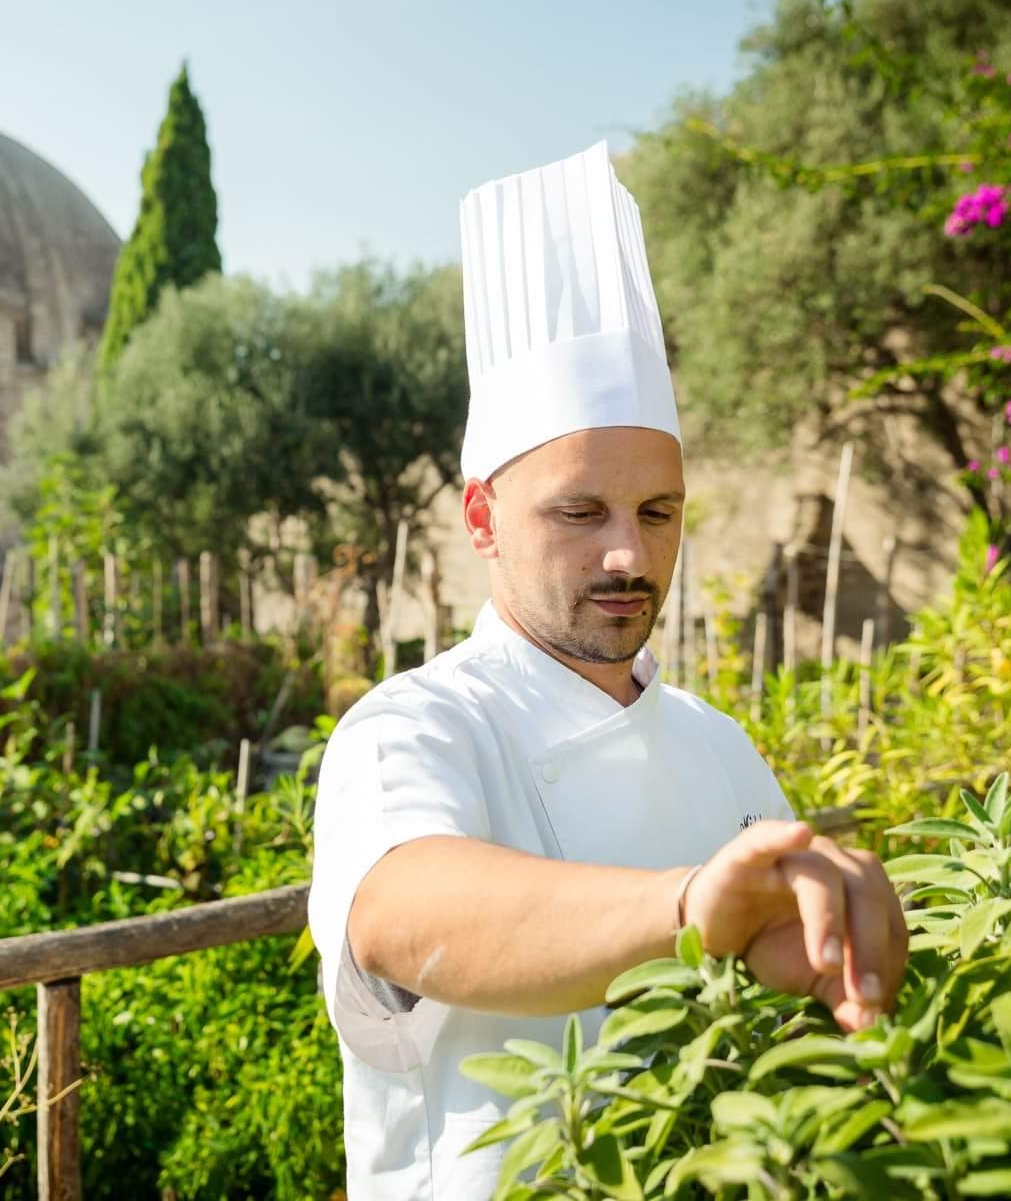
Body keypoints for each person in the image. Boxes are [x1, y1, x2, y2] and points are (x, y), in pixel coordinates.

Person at [307, 142, 909, 1199]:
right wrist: (690, 905)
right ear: (483, 517)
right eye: (580, 512)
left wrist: (817, 948)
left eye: (657, 511)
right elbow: (404, 910)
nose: (628, 552)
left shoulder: (717, 743)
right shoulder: (414, 725)